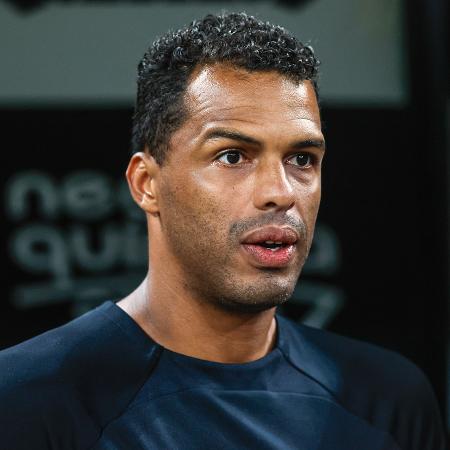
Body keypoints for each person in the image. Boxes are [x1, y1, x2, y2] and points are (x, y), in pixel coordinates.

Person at [0, 12, 446, 450]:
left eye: (302, 159)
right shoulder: (27, 400)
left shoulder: (389, 401)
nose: (280, 192)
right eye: (232, 156)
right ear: (146, 184)